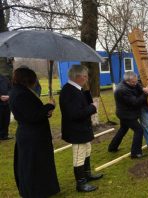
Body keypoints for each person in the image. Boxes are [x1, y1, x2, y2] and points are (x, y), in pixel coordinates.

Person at [9, 67, 60, 198]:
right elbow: (32, 116)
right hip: (32, 137)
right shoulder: (21, 94)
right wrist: (49, 106)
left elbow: (31, 113)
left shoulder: (20, 91)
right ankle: (35, 192)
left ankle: (43, 189)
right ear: (27, 79)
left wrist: (45, 112)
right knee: (33, 166)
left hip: (31, 134)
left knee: (38, 164)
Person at [59, 64, 102, 193]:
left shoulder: (77, 89)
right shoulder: (69, 91)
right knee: (79, 154)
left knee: (87, 150)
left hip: (82, 128)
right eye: (85, 76)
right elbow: (75, 114)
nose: (87, 78)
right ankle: (81, 183)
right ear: (79, 77)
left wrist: (87, 91)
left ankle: (87, 174)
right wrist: (93, 107)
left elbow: (84, 103)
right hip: (75, 130)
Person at [108, 71, 148, 158]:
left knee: (123, 129)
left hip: (126, 113)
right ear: (127, 81)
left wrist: (144, 89)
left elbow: (138, 86)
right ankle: (136, 153)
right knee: (139, 130)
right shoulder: (123, 90)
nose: (135, 83)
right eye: (133, 82)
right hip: (126, 115)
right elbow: (135, 102)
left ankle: (112, 147)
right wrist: (145, 93)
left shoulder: (131, 84)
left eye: (136, 81)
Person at [0, 73, 13, 140]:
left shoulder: (5, 78)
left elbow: (10, 88)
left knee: (6, 120)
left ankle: (5, 135)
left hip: (7, 103)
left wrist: (8, 96)